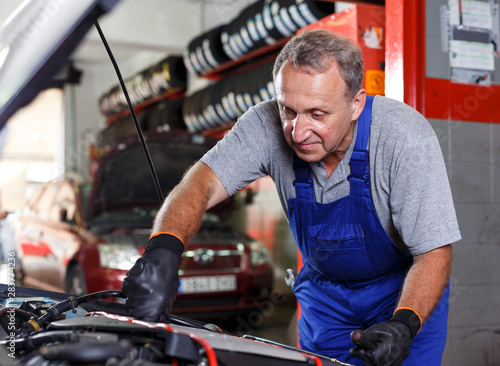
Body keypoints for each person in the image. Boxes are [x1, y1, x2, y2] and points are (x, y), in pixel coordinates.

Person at [122, 29, 461, 366]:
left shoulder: (403, 137)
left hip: (402, 295)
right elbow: (202, 183)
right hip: (325, 301)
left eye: (317, 114)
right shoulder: (264, 124)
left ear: (355, 104)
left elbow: (434, 252)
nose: (298, 133)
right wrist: (164, 248)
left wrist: (404, 325)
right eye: (288, 110)